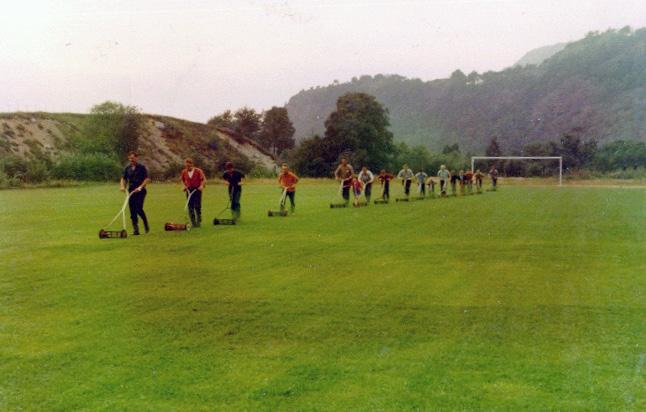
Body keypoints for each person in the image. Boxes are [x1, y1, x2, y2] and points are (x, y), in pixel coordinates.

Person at [120, 151, 150, 235]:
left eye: (132, 158)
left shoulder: (141, 167)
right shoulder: (127, 168)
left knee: (138, 209)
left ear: (136, 158)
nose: (131, 160)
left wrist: (140, 187)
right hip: (131, 191)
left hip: (140, 191)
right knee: (132, 210)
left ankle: (145, 223)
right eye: (130, 158)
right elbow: (123, 178)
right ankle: (136, 229)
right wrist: (122, 186)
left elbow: (147, 179)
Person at [180, 158, 206, 227]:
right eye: (186, 166)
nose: (187, 168)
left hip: (197, 190)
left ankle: (199, 220)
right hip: (189, 190)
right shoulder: (184, 172)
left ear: (192, 165)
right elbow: (182, 180)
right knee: (190, 206)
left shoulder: (198, 171)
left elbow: (203, 180)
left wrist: (201, 186)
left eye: (189, 166)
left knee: (197, 206)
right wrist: (184, 186)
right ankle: (193, 223)